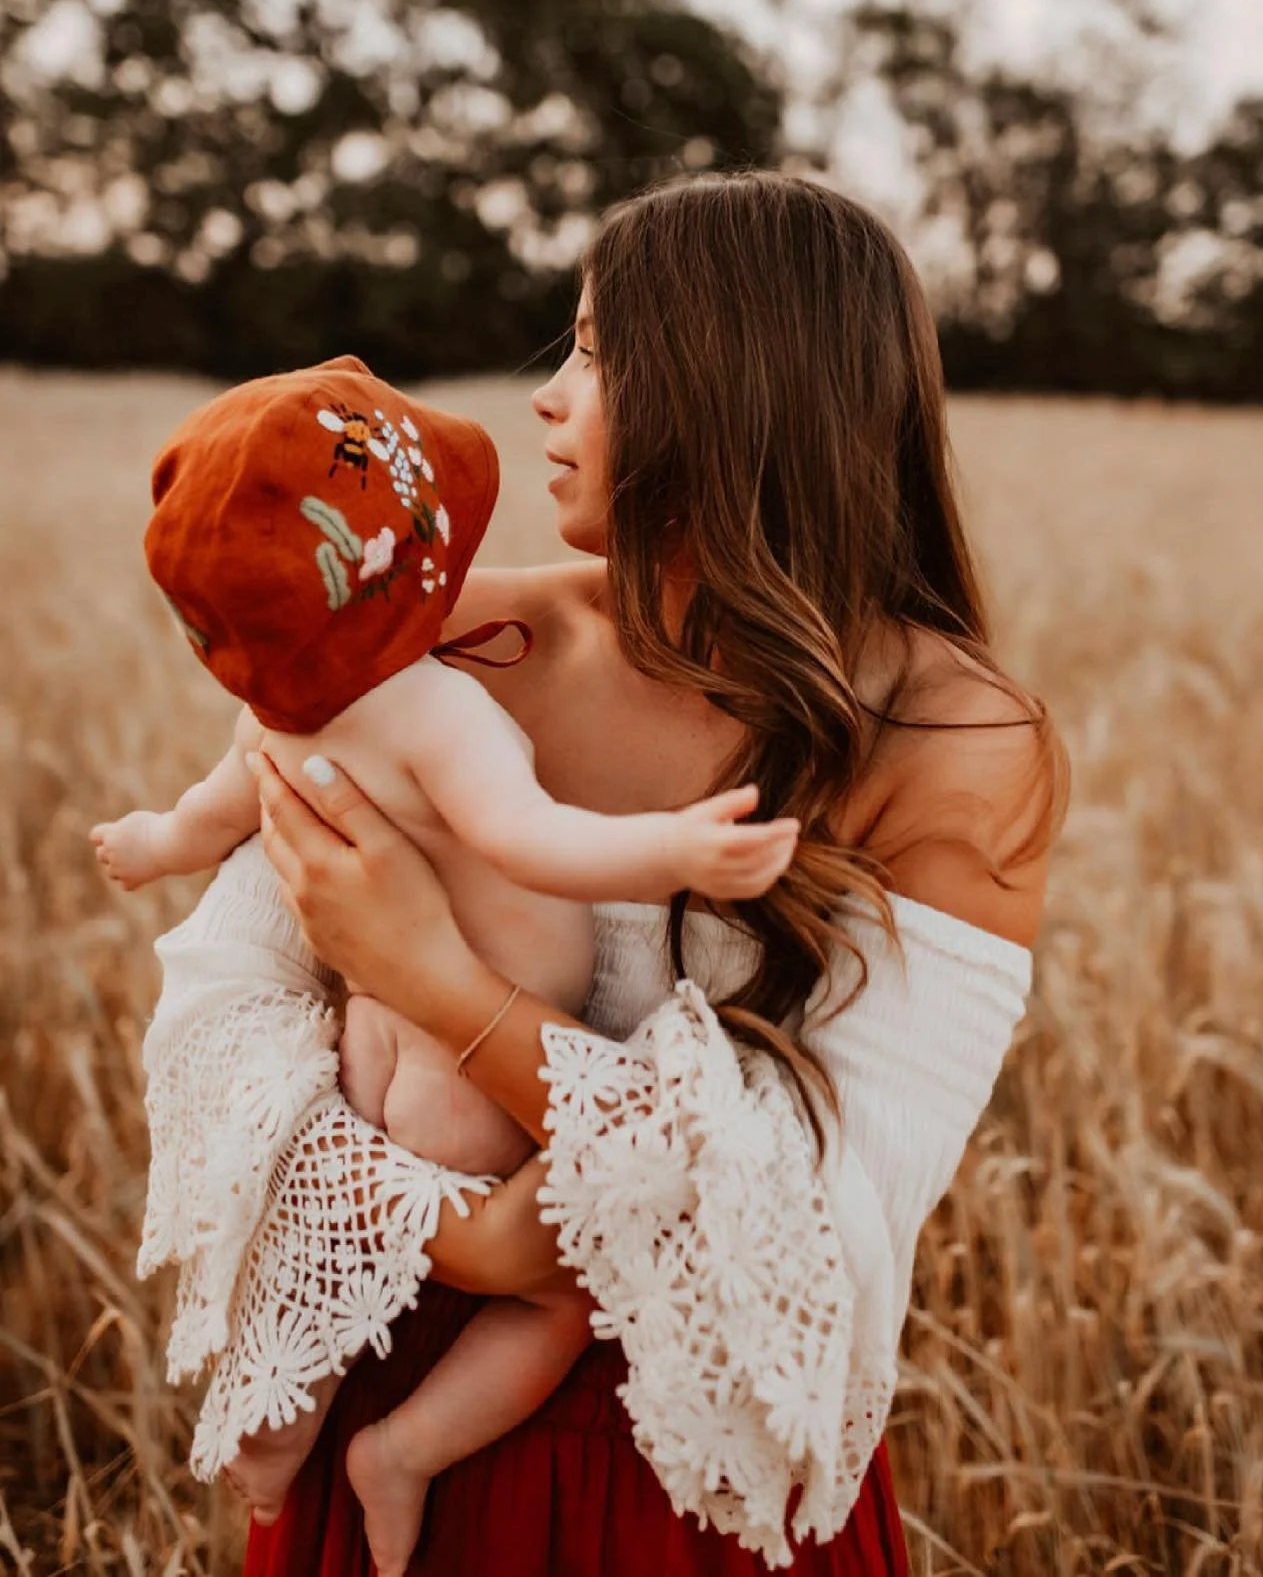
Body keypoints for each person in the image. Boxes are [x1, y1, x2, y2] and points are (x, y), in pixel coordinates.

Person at [216, 170, 1067, 1574]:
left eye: (600, 352)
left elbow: (808, 1210)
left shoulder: (955, 742)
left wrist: (432, 975)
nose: (549, 396)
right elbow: (234, 1012)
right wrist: (459, 1240)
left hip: (699, 1476)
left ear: (731, 390)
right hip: (388, 1407)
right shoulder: (459, 638)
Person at [92, 362, 799, 1575]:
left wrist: (150, 845)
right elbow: (532, 839)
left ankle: (282, 1421)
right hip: (468, 1080)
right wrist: (672, 847)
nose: (548, 393)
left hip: (367, 1040)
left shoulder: (285, 714)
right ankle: (404, 1450)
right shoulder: (436, 710)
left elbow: (207, 819)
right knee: (555, 1301)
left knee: (345, 1239)